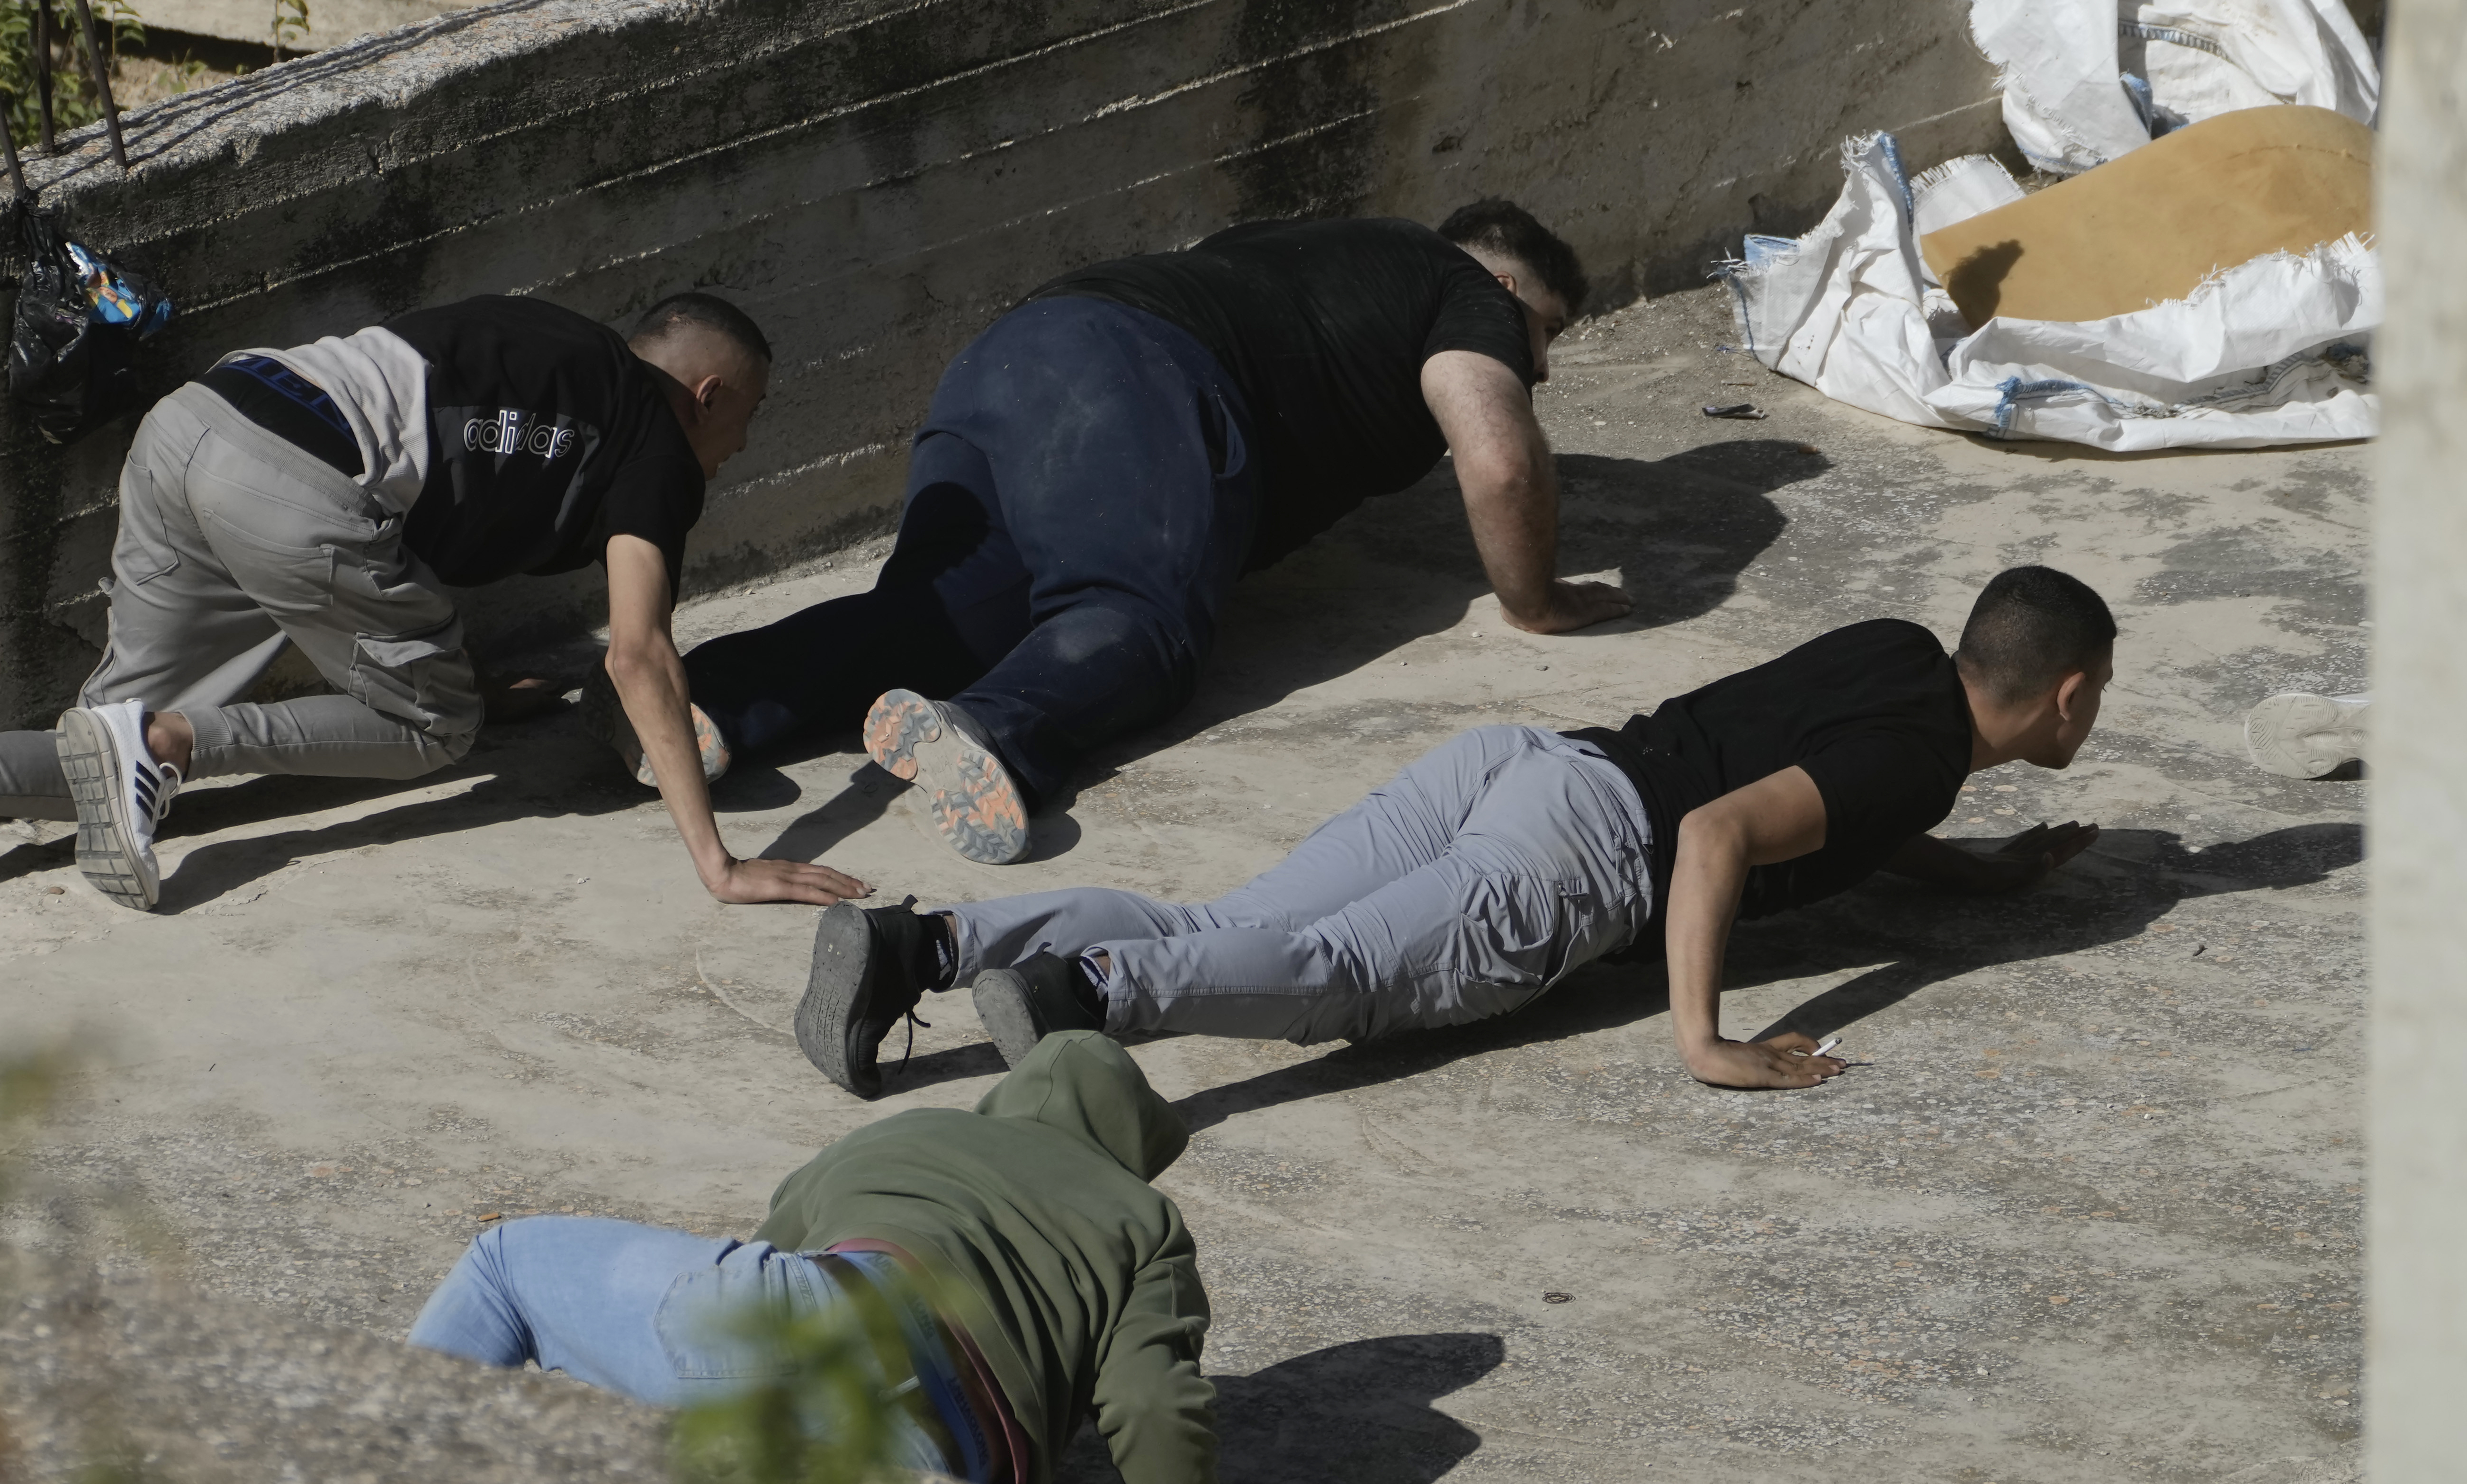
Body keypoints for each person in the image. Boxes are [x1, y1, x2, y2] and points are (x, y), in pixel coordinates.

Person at [792, 566, 2114, 1097]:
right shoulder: (1918, 767)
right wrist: (1705, 1041)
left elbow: (1846, 802)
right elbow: (1719, 835)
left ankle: (927, 947)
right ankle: (1088, 993)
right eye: (2096, 697)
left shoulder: (1899, 658)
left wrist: (1981, 872)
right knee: (1335, 980)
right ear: (2064, 694)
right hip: (1582, 862)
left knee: (1241, 926)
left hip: (1525, 767)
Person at [585, 201, 1630, 867]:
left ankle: (711, 699)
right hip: (1131, 380)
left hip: (1013, 358)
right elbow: (1496, 455)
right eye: (1547, 333)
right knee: (1133, 618)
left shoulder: (1315, 250)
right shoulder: (1462, 289)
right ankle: (996, 727)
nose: (1542, 367)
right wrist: (1537, 600)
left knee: (933, 617)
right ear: (1506, 289)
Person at [0, 293, 868, 922]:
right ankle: (166, 744)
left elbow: (438, 467)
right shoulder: (656, 437)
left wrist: (468, 678)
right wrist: (717, 863)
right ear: (708, 394)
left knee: (97, 758)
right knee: (433, 726)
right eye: (751, 416)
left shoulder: (550, 347)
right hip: (300, 484)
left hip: (200, 425)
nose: (743, 446)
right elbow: (641, 656)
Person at [405, 1031, 1223, 1484]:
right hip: (946, 1461)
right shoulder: (1144, 1219)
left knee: (505, 1264)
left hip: (809, 1317)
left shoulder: (919, 1131)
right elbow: (1153, 1408)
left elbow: (768, 1242)